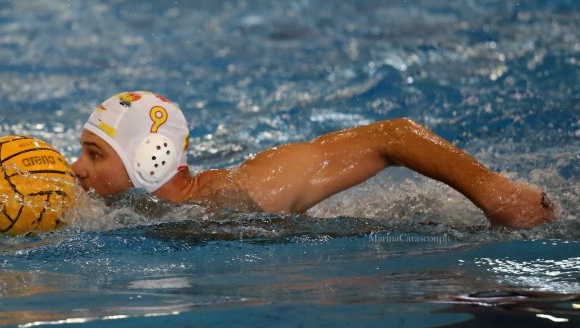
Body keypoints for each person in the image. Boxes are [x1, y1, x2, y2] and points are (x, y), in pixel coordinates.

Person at [72, 91, 555, 229]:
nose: (77, 167)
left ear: (151, 156)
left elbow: (395, 136)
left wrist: (498, 194)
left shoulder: (246, 192)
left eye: (93, 154)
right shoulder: (115, 210)